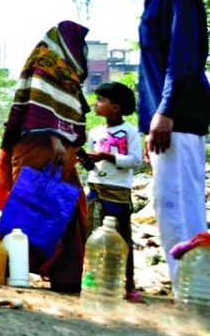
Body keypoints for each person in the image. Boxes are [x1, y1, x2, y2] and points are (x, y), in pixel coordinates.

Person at [123, 0, 210, 291]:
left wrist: (165, 112)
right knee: (167, 205)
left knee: (181, 208)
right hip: (166, 121)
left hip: (179, 120)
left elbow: (183, 60)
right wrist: (152, 121)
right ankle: (188, 290)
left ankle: (196, 293)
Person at [0, 20, 90, 293]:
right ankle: (11, 269)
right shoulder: (45, 65)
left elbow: (67, 114)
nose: (83, 50)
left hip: (62, 154)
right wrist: (55, 139)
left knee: (69, 213)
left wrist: (76, 150)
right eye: (80, 43)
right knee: (29, 209)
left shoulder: (68, 74)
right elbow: (39, 107)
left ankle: (66, 278)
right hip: (41, 148)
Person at [82, 82, 144, 303]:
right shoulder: (96, 132)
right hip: (95, 187)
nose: (96, 104)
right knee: (92, 235)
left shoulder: (130, 132)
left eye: (101, 100)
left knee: (122, 238)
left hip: (118, 191)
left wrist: (106, 157)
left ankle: (128, 285)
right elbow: (94, 166)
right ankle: (93, 281)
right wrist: (88, 161)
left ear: (115, 107)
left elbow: (135, 161)